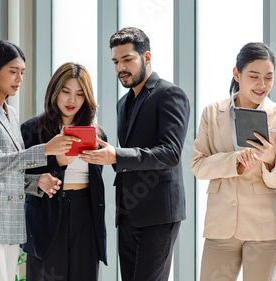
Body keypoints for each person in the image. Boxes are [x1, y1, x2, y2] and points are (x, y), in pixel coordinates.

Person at [0, 40, 78, 281]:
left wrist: (37, 182)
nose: (19, 79)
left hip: (10, 221)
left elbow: (10, 171)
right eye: (13, 72)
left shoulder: (10, 113)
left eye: (22, 72)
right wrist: (46, 150)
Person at [81, 27, 190, 281]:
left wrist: (116, 155)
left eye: (128, 59)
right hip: (128, 212)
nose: (121, 68)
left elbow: (170, 153)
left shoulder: (170, 94)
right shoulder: (123, 102)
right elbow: (130, 152)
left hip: (159, 215)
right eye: (116, 62)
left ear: (147, 57)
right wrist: (102, 148)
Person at [191, 42, 276, 281]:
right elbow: (198, 166)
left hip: (264, 227)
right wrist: (234, 160)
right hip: (220, 226)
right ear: (237, 74)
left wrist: (269, 160)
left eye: (268, 77)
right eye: (254, 76)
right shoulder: (212, 112)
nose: (262, 85)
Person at [20, 62, 107, 280]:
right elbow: (16, 177)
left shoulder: (97, 134)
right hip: (46, 214)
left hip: (85, 212)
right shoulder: (32, 130)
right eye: (65, 92)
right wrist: (57, 163)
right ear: (54, 92)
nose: (72, 100)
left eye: (79, 94)